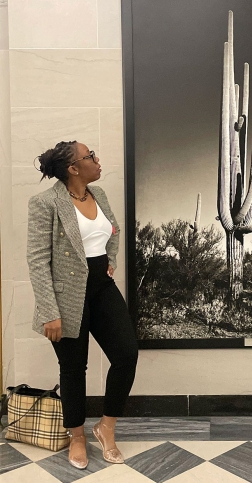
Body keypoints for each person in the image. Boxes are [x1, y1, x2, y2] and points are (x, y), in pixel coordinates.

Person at [26, 140, 138, 469]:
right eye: (91, 156)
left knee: (126, 353)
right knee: (74, 369)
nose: (97, 160)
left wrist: (110, 259)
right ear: (74, 168)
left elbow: (113, 230)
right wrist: (49, 311)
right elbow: (37, 260)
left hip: (101, 285)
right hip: (65, 294)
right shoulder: (44, 202)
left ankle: (106, 427)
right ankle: (77, 437)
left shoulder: (98, 195)